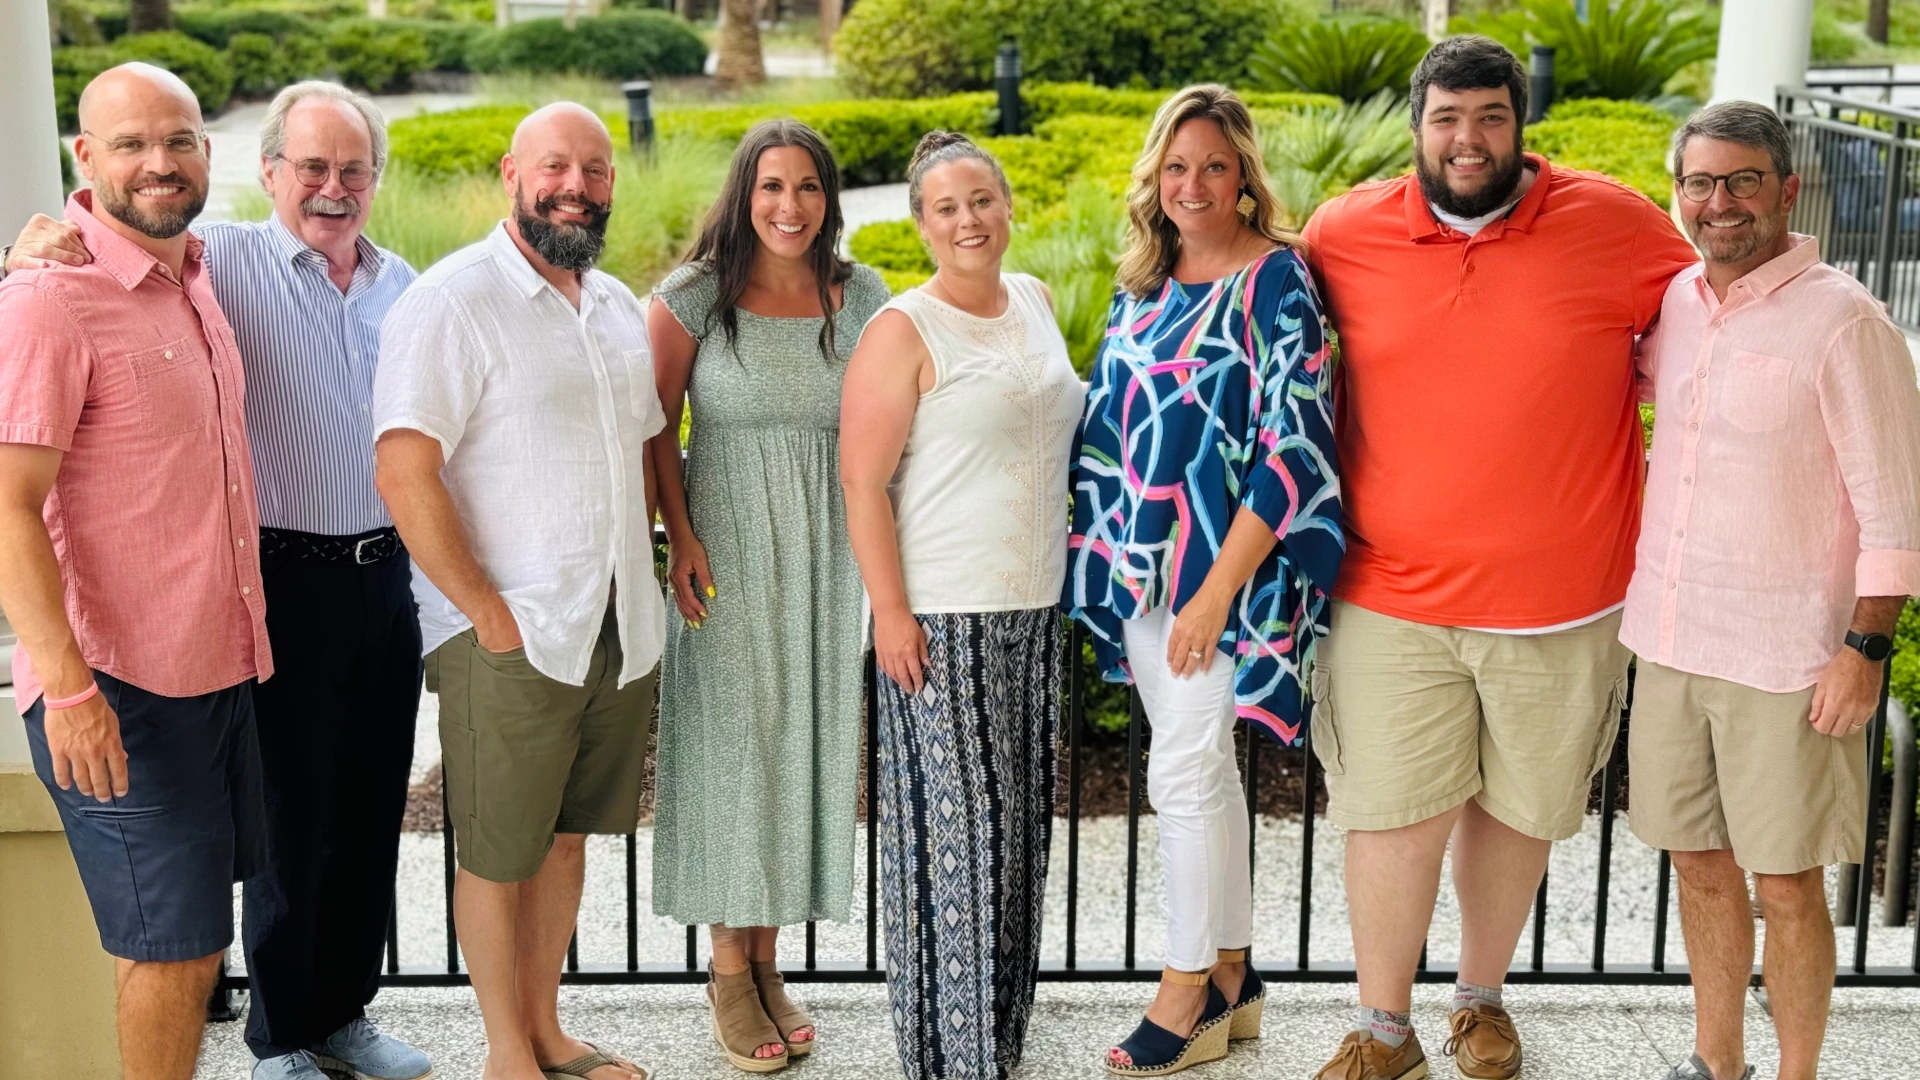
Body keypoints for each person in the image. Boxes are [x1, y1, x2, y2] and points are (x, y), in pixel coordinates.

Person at [6, 80, 434, 1080]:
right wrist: (18, 249)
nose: (333, 188)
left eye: (353, 169)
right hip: (252, 595)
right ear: (269, 171)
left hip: (356, 587)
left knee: (361, 820)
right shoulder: (222, 256)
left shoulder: (378, 280)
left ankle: (340, 1011)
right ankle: (283, 1033)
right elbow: (15, 458)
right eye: (311, 167)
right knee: (261, 854)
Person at [1298, 36, 1698, 1080]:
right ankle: (1384, 1033)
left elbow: (1719, 325)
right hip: (1388, 591)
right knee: (1390, 814)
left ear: (1521, 124)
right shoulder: (1344, 233)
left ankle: (1481, 1005)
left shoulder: (1616, 223)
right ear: (1416, 125)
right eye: (1446, 118)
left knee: (1518, 813)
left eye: (1488, 117)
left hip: (1564, 599)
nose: (1466, 139)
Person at [1625, 101, 1920, 1080]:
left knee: (1789, 886)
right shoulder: (1673, 302)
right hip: (1670, 638)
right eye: (1701, 183)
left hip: (1787, 661)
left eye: (1743, 181)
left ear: (1787, 190)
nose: (1721, 203)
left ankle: (1796, 1074)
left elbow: (1896, 512)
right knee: (1700, 870)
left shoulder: (1848, 322)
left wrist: (1865, 649)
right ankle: (1720, 1064)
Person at [372, 102, 665, 1080]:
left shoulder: (618, 305)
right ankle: (506, 1057)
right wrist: (489, 616)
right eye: (554, 167)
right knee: (498, 853)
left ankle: (545, 1033)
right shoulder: (454, 302)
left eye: (594, 167)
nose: (574, 184)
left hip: (614, 622)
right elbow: (406, 470)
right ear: (512, 173)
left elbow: (650, 441)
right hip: (511, 631)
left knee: (566, 842)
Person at [1063, 84, 1343, 1077]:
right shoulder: (1143, 281)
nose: (1193, 184)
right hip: (1142, 570)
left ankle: (1184, 990)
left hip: (1230, 579)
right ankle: (1233, 973)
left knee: (1179, 771)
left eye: (1214, 166)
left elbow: (1295, 443)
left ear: (1243, 176)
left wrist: (1217, 590)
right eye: (1176, 167)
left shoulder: (1278, 282)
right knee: (1204, 767)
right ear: (1156, 176)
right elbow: (1114, 430)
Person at [0, 64, 272, 1080]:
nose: (160, 163)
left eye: (180, 140)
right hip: (113, 686)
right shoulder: (48, 302)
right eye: (130, 145)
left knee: (193, 943)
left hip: (213, 668)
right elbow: (6, 509)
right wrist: (68, 690)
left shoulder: (195, 277)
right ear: (84, 158)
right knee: (170, 950)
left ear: (208, 148)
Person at [840, 131, 1086, 1080]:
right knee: (958, 849)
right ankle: (953, 1058)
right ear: (921, 223)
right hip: (942, 618)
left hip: (1034, 609)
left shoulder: (1035, 301)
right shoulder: (903, 328)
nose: (967, 220)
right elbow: (862, 482)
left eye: (981, 199)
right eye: (945, 207)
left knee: (1017, 839)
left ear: (1007, 205)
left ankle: (1000, 1040)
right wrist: (891, 613)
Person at [645, 119, 888, 1073]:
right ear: (745, 194)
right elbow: (655, 424)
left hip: (828, 554)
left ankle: (769, 959)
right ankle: (726, 968)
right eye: (771, 187)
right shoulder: (696, 295)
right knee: (734, 750)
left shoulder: (860, 294)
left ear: (830, 198)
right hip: (727, 553)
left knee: (799, 745)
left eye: (810, 188)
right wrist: (681, 537)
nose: (790, 206)